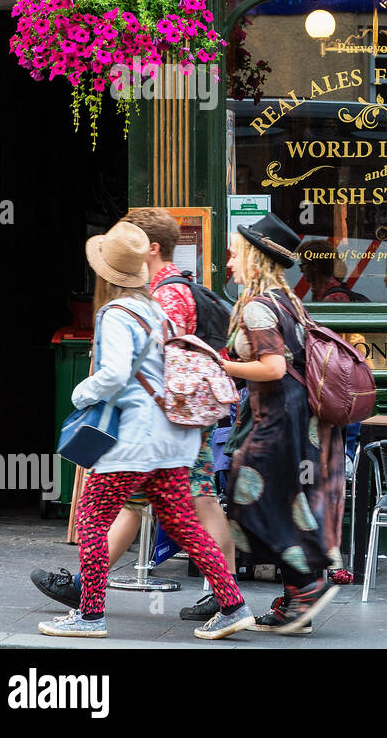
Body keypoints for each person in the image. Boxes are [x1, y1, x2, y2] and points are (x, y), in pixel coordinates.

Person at [38, 222, 254, 640]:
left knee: (91, 520)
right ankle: (233, 605)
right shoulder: (156, 309)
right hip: (173, 437)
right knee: (185, 523)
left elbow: (115, 374)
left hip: (134, 441)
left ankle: (90, 615)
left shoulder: (116, 313)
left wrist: (81, 393)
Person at [221, 214, 347, 634]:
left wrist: (224, 365)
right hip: (296, 415)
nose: (230, 261)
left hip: (279, 416)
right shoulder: (286, 298)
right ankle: (300, 598)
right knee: (285, 500)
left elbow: (273, 368)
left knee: (248, 495)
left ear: (255, 258)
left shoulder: (259, 306)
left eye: (236, 253)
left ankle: (308, 582)